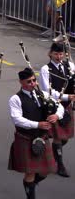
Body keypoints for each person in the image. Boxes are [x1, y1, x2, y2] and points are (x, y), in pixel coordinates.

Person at [8, 68, 64, 199]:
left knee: (46, 171)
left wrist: (57, 115)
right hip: (26, 138)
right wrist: (37, 124)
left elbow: (59, 106)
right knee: (30, 173)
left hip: (42, 138)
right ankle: (30, 194)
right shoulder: (15, 99)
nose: (33, 84)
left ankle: (30, 185)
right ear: (21, 82)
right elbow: (17, 119)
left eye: (34, 80)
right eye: (29, 82)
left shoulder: (43, 94)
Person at [38, 42, 75, 177]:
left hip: (67, 106)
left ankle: (52, 153)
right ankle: (59, 165)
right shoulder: (45, 69)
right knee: (58, 137)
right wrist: (67, 96)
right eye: (56, 54)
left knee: (65, 137)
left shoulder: (69, 66)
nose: (59, 57)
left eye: (61, 54)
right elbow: (46, 90)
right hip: (53, 105)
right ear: (50, 54)